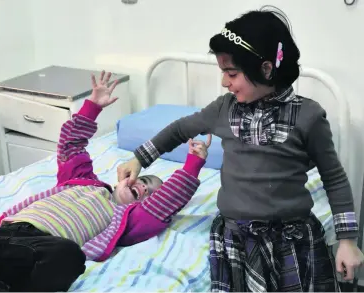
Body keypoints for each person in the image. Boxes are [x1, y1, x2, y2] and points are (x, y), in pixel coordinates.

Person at [117, 7, 364, 292]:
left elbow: (333, 178)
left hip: (291, 239)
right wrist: (139, 158)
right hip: (236, 238)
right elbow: (179, 129)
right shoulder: (224, 109)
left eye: (231, 73)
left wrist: (347, 240)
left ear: (266, 69)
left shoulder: (308, 116)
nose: (224, 82)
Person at [0, 71, 211, 292]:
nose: (143, 188)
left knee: (69, 256)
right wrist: (92, 108)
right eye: (145, 181)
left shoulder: (125, 219)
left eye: (148, 193)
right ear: (126, 177)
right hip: (1, 236)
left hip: (43, 247)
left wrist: (193, 164)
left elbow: (165, 203)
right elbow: (71, 145)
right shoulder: (82, 180)